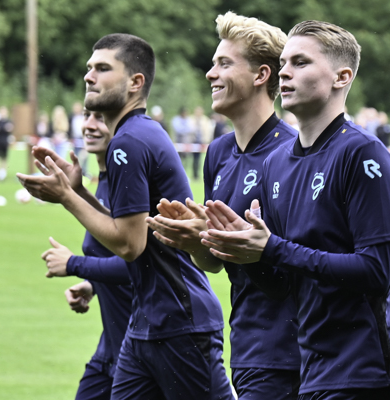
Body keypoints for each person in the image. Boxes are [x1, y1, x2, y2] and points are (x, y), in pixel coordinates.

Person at [200, 20, 390, 400]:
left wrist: (271, 248)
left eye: (300, 62)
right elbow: (281, 284)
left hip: (363, 373)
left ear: (342, 77)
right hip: (311, 369)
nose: (284, 72)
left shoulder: (363, 153)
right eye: (283, 63)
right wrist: (240, 247)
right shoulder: (277, 163)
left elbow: (377, 271)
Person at [17, 33, 233, 400]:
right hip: (146, 321)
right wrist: (80, 191)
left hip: (178, 320)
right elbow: (131, 228)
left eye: (103, 68)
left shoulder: (129, 141)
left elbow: (130, 245)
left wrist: (66, 197)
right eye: (90, 68)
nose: (89, 76)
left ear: (135, 82)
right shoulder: (135, 135)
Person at [146, 12, 301, 399]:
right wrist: (196, 241)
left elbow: (295, 270)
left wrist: (229, 241)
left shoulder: (293, 154)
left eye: (224, 64)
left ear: (261, 75)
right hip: (245, 347)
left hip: (290, 352)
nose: (210, 74)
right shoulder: (217, 153)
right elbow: (214, 263)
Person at [40, 109, 132, 400]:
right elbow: (114, 253)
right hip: (112, 346)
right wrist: (94, 284)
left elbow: (139, 263)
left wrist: (74, 264)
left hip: (144, 345)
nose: (89, 125)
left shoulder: (129, 185)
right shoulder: (104, 181)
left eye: (100, 117)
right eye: (86, 115)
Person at [188, 106, 213, 180]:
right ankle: (194, 174)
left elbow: (208, 131)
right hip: (193, 141)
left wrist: (206, 140)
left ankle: (198, 174)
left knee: (200, 159)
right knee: (192, 159)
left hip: (201, 141)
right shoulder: (191, 119)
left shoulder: (205, 120)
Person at [69, 102, 88, 176]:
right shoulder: (71, 117)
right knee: (75, 156)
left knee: (84, 156)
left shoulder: (84, 117)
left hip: (82, 138)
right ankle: (76, 171)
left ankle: (84, 172)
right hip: (75, 138)